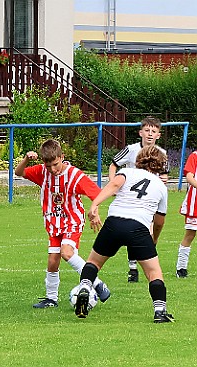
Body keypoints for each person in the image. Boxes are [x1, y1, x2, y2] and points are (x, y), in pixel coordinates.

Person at [75, 145, 174, 323]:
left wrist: (94, 205)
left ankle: (84, 287)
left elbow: (114, 185)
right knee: (154, 272)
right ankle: (160, 311)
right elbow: (159, 221)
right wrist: (154, 240)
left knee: (93, 262)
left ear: (139, 159)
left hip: (114, 222)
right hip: (138, 227)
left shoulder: (127, 172)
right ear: (160, 165)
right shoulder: (161, 187)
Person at [15, 139, 111, 308]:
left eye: (56, 164)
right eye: (48, 165)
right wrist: (26, 160)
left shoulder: (75, 175)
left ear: (62, 157)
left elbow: (97, 194)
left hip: (72, 220)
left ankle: (96, 283)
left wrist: (94, 211)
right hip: (53, 222)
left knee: (66, 253)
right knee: (53, 261)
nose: (52, 169)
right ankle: (51, 299)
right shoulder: (42, 172)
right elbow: (19, 172)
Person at [108, 116, 168, 283]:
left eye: (153, 131)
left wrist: (163, 179)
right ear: (140, 132)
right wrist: (114, 182)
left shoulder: (162, 153)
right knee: (136, 229)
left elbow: (165, 174)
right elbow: (114, 164)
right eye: (147, 130)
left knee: (143, 231)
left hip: (149, 199)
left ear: (158, 135)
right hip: (130, 199)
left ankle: (138, 267)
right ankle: (133, 268)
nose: (150, 134)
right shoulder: (131, 149)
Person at [176, 150, 197, 278]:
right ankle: (181, 268)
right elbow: (189, 176)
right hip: (195, 203)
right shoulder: (195, 156)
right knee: (190, 234)